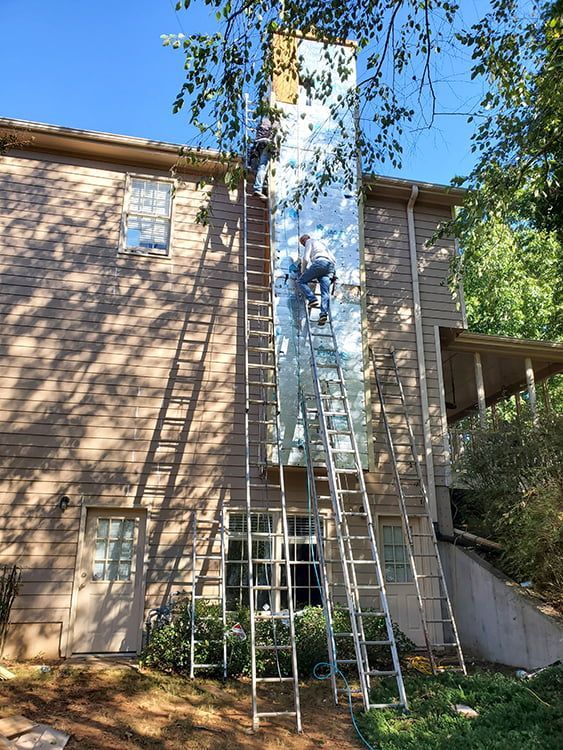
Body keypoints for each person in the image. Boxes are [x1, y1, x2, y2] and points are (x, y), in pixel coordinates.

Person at [297, 234, 336, 326]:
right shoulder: (322, 244)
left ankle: (312, 299)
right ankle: (323, 314)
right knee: (325, 292)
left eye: (302, 243)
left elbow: (306, 258)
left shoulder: (309, 241)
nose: (303, 245)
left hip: (320, 263)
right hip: (330, 267)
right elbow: (334, 259)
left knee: (301, 281)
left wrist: (303, 271)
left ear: (304, 240)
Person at [252, 116, 273, 199]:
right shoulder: (272, 119)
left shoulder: (261, 122)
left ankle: (262, 188)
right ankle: (258, 188)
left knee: (258, 168)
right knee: (262, 167)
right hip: (265, 143)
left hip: (258, 145)